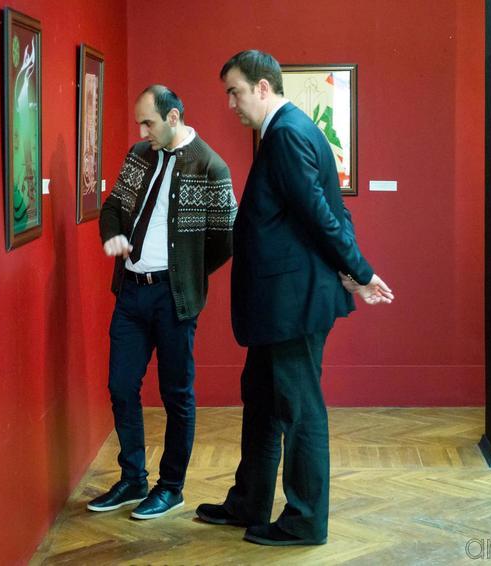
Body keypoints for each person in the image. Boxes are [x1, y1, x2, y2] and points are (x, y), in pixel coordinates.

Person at [195, 50, 394, 546]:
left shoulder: (285, 134)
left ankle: (304, 521)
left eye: (235, 92)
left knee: (300, 411)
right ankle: (249, 502)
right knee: (262, 399)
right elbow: (331, 209)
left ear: (263, 87)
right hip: (280, 303)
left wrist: (360, 271)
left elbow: (322, 216)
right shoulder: (295, 129)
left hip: (291, 303)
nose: (231, 103)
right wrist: (351, 270)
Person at [90, 85, 237, 520]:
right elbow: (112, 207)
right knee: (121, 386)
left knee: (176, 395)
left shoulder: (211, 167)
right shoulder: (140, 155)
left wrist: (187, 275)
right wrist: (112, 236)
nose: (142, 131)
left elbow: (225, 239)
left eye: (148, 123)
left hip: (174, 298)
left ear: (173, 118)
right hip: (131, 292)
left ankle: (171, 487)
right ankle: (133, 478)